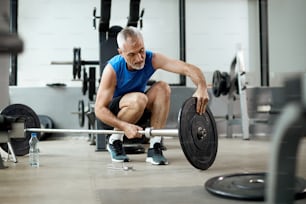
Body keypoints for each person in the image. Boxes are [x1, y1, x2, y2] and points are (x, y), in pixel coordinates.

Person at [95, 26, 209, 165]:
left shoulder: (152, 58)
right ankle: (115, 140)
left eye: (141, 50)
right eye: (132, 54)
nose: (139, 58)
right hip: (113, 118)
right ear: (121, 53)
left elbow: (188, 68)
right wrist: (123, 126)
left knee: (162, 88)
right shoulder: (112, 69)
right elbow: (99, 110)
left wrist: (202, 87)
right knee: (139, 99)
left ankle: (155, 144)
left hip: (138, 111)